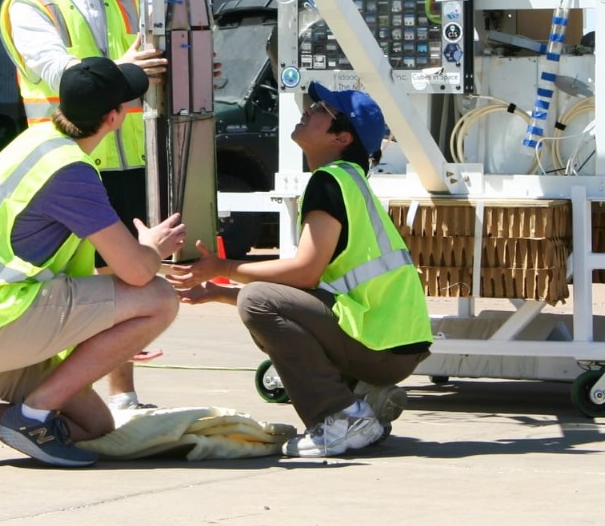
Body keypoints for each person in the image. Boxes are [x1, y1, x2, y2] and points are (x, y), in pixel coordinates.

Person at [0, 58, 185, 468]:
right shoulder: (71, 173)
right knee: (159, 297)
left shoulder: (35, 141)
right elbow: (136, 271)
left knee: (93, 427)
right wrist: (153, 246)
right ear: (114, 117)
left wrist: (111, 336)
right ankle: (31, 417)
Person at [168, 83, 432, 458]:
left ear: (341, 137)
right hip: (391, 344)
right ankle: (361, 397)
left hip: (379, 346)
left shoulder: (330, 181)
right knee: (259, 299)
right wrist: (219, 292)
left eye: (323, 107)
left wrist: (222, 268)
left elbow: (305, 274)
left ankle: (340, 416)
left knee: (259, 302)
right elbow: (313, 292)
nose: (310, 108)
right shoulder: (350, 181)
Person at [0, 0, 169, 411]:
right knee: (74, 286)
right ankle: (61, 397)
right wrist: (128, 71)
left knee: (123, 279)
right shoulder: (26, 4)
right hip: (65, 164)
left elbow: (152, 58)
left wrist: (180, 70)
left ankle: (120, 397)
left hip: (130, 156)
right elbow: (58, 70)